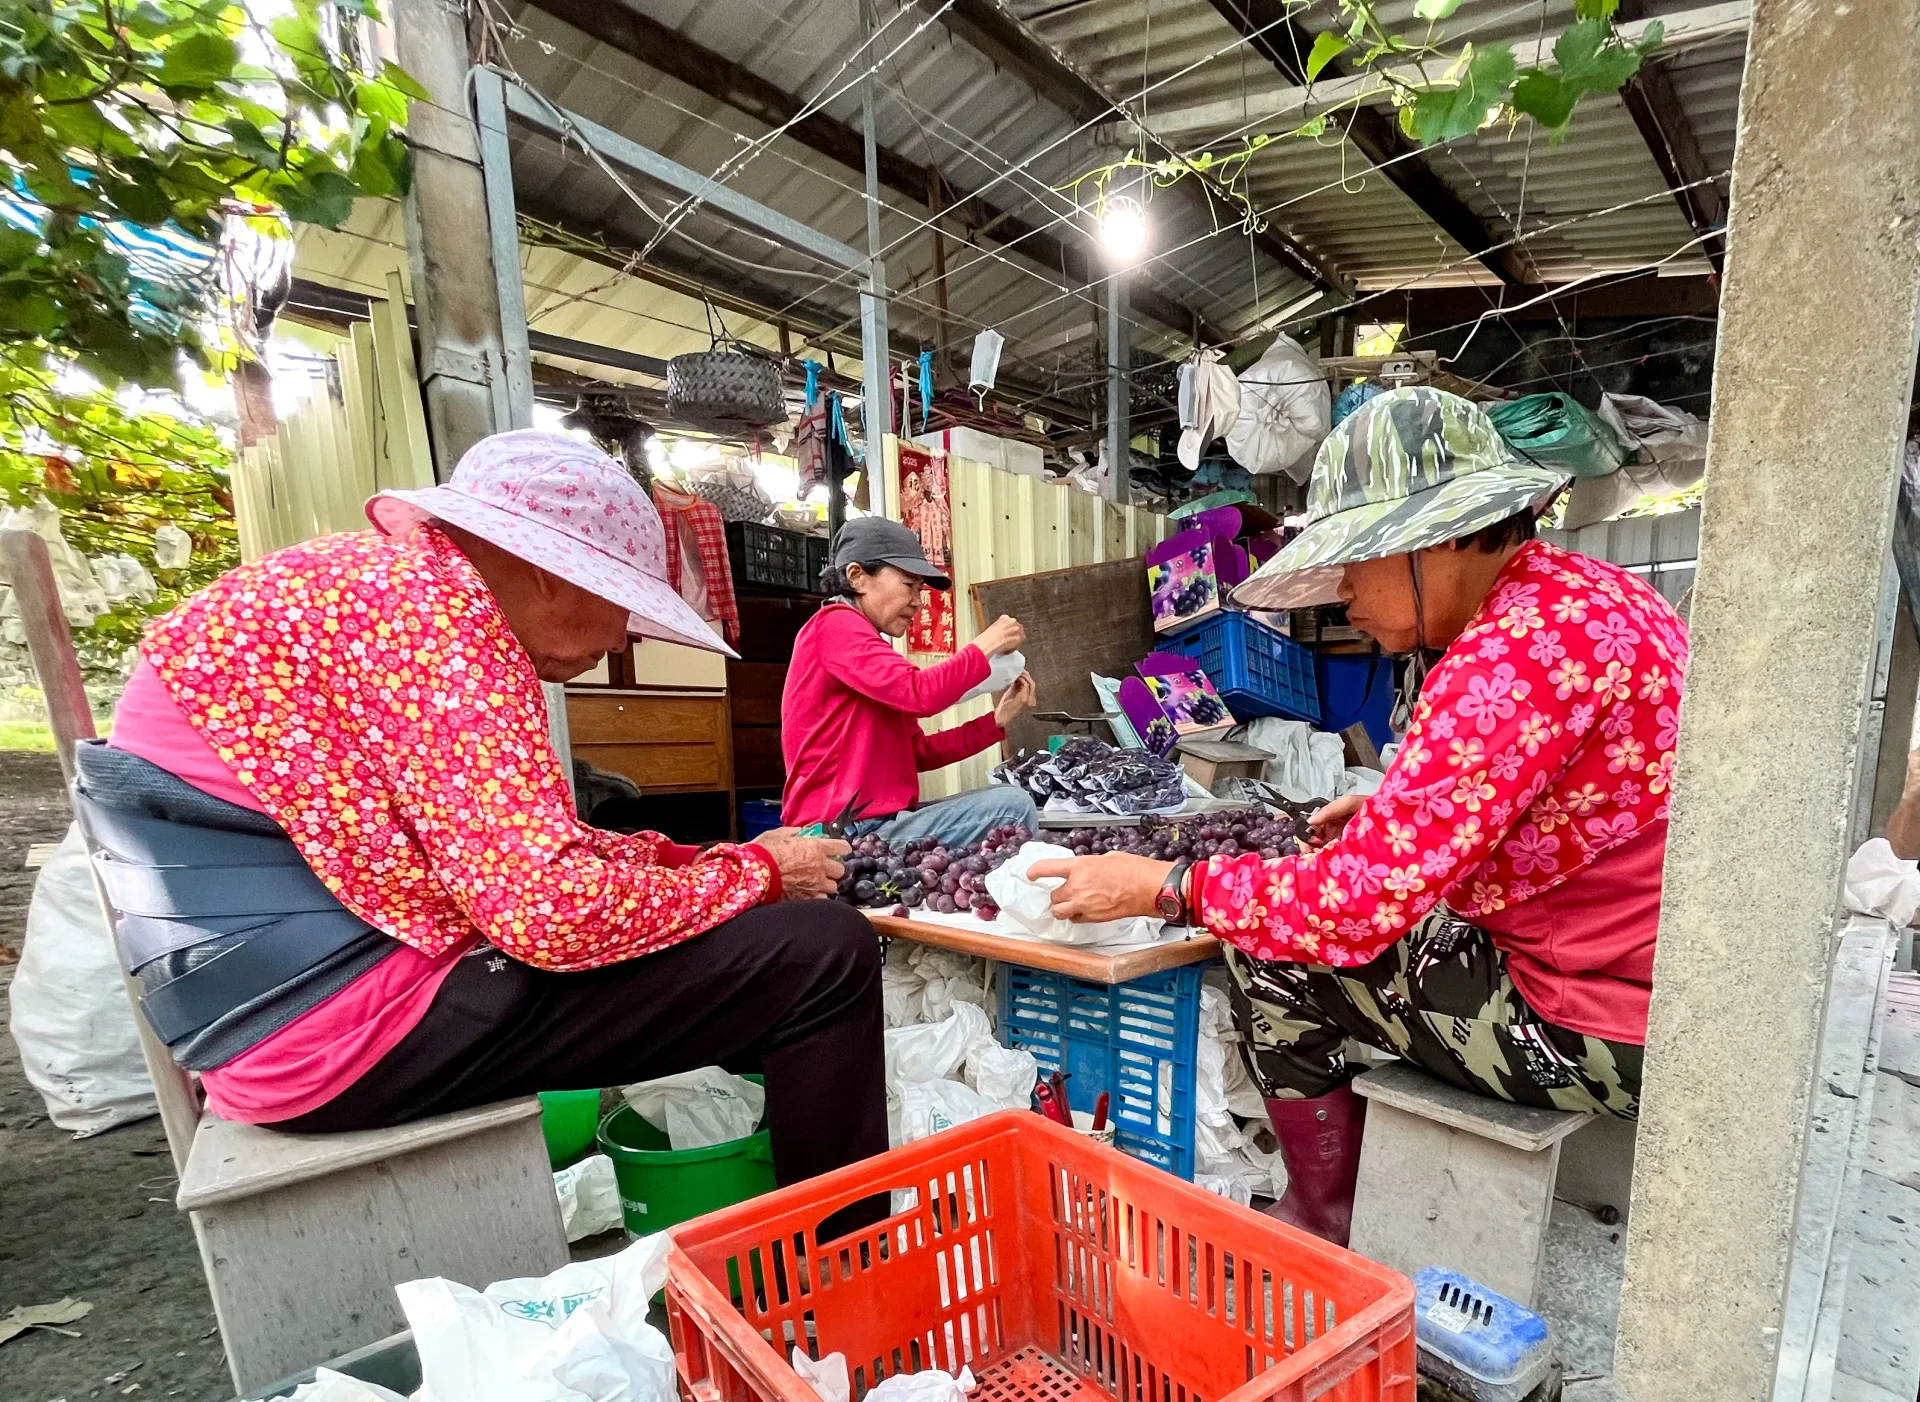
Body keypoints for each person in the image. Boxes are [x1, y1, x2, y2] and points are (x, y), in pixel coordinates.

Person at [82, 430, 884, 1210]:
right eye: (625, 612)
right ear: (551, 575)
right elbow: (548, 913)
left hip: (278, 1015)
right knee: (822, 954)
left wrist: (692, 862)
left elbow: (514, 851)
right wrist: (755, 875)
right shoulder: (446, 632)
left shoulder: (380, 591)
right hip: (333, 1034)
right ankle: (848, 1263)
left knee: (739, 948)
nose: (618, 643)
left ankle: (746, 1183)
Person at [1029, 388, 1689, 1245]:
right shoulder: (1585, 597)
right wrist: (1392, 802)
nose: (1342, 591)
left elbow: (1352, 908)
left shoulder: (1506, 658)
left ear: (1443, 536)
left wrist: (1165, 885)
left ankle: (1324, 1217)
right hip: (1656, 976)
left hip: (1595, 1015)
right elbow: (1573, 785)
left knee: (1271, 953)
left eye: (1358, 558)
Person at [781, 516, 1040, 848]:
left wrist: (996, 721)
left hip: (872, 825)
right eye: (909, 585)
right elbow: (921, 693)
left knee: (1008, 797)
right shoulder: (835, 627)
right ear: (857, 576)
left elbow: (918, 753)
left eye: (920, 589)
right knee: (1013, 807)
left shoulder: (866, 648)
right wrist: (985, 644)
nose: (918, 601)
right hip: (842, 832)